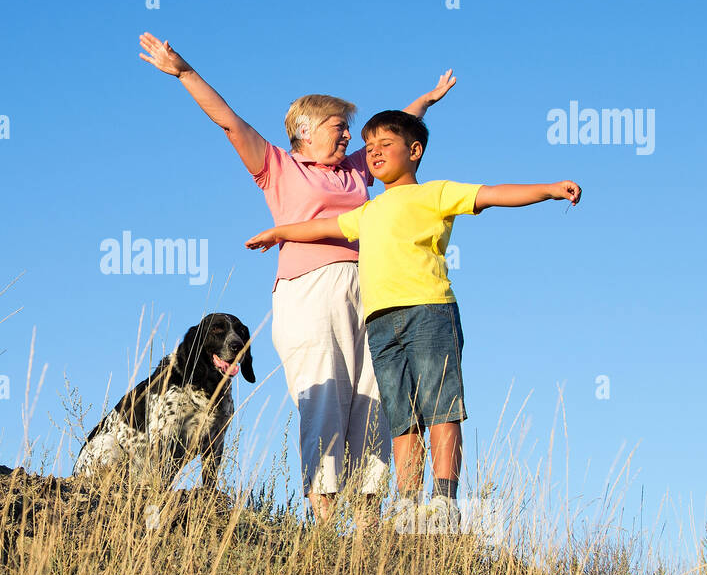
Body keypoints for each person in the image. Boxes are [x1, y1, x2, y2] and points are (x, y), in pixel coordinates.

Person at [138, 33, 454, 520]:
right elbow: (228, 121)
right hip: (308, 294)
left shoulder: (353, 171)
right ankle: (326, 521)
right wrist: (183, 71)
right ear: (305, 130)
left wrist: (424, 104)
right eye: (340, 127)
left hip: (368, 292)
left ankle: (368, 522)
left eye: (349, 129)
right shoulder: (279, 167)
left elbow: (391, 136)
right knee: (325, 396)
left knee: (373, 399)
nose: (350, 136)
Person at [245, 109, 582, 527]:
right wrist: (278, 233)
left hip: (429, 311)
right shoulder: (368, 211)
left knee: (440, 408)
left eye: (386, 146)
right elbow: (322, 227)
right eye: (369, 148)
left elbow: (492, 194)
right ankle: (406, 505)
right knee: (400, 419)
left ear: (415, 150)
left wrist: (547, 189)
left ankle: (443, 500)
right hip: (381, 322)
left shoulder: (436, 193)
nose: (373, 153)